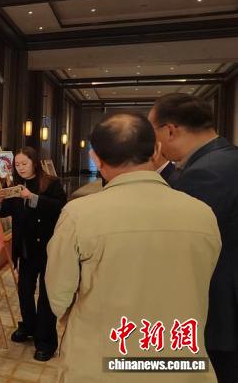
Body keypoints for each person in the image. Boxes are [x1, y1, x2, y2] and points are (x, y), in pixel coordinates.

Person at [46, 112, 220, 382]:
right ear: (157, 150)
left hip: (100, 361)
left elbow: (58, 295)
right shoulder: (202, 213)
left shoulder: (79, 215)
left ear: (95, 158)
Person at [149, 93, 238, 383]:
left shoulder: (206, 173)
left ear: (169, 131)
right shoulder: (226, 158)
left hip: (222, 311)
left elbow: (181, 246)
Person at [0, 147, 67, 361]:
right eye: (17, 165)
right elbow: (6, 211)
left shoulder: (51, 183)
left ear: (34, 162)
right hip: (25, 248)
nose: (21, 168)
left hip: (47, 247)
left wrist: (33, 198)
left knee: (46, 295)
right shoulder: (14, 186)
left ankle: (46, 341)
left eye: (24, 163)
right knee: (24, 291)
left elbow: (60, 207)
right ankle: (28, 326)